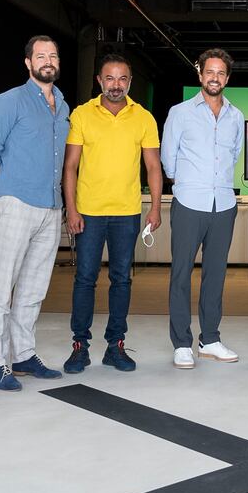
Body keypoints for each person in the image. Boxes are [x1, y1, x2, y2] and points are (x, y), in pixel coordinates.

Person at [0, 36, 70, 391]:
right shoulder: (10, 101)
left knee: (33, 289)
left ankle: (24, 355)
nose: (48, 60)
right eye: (40, 56)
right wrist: (7, 195)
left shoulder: (62, 106)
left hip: (50, 208)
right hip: (15, 205)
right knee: (1, 289)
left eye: (53, 55)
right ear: (28, 63)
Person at [62, 53, 163, 374]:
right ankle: (80, 346)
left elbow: (152, 167)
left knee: (122, 280)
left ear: (130, 83)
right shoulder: (81, 114)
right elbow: (70, 166)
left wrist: (156, 207)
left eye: (122, 79)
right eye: (110, 78)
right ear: (99, 81)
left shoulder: (144, 117)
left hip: (127, 213)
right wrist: (72, 208)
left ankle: (115, 346)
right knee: (85, 279)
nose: (116, 85)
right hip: (88, 213)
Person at [161, 48, 244, 368]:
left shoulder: (236, 116)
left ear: (227, 78)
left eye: (221, 73)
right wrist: (186, 184)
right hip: (189, 203)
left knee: (216, 274)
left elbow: (233, 155)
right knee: (181, 273)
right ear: (200, 74)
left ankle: (209, 339)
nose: (215, 78)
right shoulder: (180, 112)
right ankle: (181, 343)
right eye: (210, 72)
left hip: (223, 203)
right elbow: (169, 159)